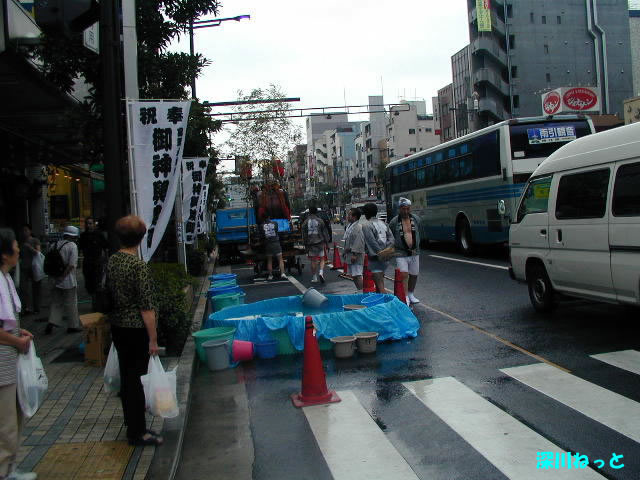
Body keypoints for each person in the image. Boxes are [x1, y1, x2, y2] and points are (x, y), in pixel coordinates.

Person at [106, 215, 162, 447]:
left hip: (118, 327)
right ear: (140, 238)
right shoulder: (138, 266)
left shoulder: (113, 261)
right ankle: (138, 432)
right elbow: (146, 307)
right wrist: (153, 339)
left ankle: (133, 424)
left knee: (128, 378)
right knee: (137, 380)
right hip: (136, 329)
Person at [0, 228, 37, 480]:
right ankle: (4, 470)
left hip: (10, 357)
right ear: (4, 254)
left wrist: (17, 331)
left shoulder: (6, 278)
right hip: (3, 360)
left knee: (15, 415)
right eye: (15, 246)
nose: (18, 250)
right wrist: (16, 340)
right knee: (6, 421)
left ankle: (10, 467)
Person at [45, 226, 82, 334]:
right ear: (73, 236)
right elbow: (72, 265)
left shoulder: (53, 245)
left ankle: (52, 321)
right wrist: (63, 276)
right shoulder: (72, 246)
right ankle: (73, 326)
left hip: (53, 278)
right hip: (68, 280)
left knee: (56, 302)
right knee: (71, 303)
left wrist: (57, 277)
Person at [389, 197, 422, 305]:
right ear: (399, 209)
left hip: (414, 251)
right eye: (403, 209)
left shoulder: (416, 219)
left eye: (408, 209)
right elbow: (390, 235)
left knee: (414, 274)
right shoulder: (394, 221)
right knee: (403, 274)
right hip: (400, 252)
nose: (406, 211)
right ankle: (405, 296)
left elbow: (419, 231)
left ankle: (411, 293)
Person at [361, 203, 394, 294]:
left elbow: (371, 242)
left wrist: (380, 253)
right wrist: (386, 250)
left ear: (366, 213)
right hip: (385, 257)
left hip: (376, 258)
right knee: (380, 284)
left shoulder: (366, 225)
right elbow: (391, 239)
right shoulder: (383, 223)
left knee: (380, 285)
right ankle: (381, 300)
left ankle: (386, 301)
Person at [79, 217, 109, 305]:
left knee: (97, 281)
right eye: (87, 223)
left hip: (97, 261)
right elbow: (80, 248)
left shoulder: (99, 234)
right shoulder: (83, 236)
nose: (89, 225)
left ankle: (96, 301)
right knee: (89, 282)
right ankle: (93, 297)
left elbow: (105, 247)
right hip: (87, 261)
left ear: (93, 224)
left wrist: (106, 259)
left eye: (90, 223)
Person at [302, 206, 330, 284]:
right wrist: (327, 244)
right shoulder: (320, 221)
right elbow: (325, 233)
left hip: (311, 244)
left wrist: (305, 245)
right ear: (316, 212)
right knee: (322, 259)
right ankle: (321, 272)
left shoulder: (305, 222)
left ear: (309, 212)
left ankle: (314, 277)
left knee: (313, 260)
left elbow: (304, 235)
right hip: (320, 243)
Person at [342, 208, 365, 292]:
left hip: (356, 254)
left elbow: (359, 241)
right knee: (354, 274)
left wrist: (355, 254)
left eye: (349, 214)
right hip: (350, 253)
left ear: (354, 217)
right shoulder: (350, 226)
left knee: (357, 274)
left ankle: (362, 291)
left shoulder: (358, 227)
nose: (347, 216)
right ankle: (359, 290)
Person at [18, 225, 38, 315]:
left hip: (34, 267)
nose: (24, 232)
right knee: (23, 288)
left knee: (36, 288)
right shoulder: (21, 242)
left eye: (26, 230)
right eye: (23, 230)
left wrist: (29, 247)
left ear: (30, 231)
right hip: (24, 266)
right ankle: (25, 308)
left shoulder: (35, 240)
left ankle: (36, 307)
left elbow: (38, 253)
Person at [260, 214, 286, 280]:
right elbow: (277, 231)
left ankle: (270, 275)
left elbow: (262, 235)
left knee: (269, 260)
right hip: (276, 243)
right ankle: (282, 274)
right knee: (280, 259)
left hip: (268, 244)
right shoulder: (275, 223)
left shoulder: (262, 225)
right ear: (269, 216)